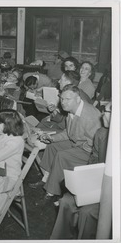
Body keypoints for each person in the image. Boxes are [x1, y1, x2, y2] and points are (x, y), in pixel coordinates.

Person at [50, 102, 111, 239]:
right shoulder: (101, 134)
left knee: (87, 212)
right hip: (98, 181)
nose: (102, 114)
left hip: (113, 191)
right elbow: (93, 160)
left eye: (106, 111)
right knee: (66, 200)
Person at [30, 85, 102, 199]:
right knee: (52, 146)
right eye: (62, 99)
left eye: (68, 99)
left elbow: (96, 145)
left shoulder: (90, 115)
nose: (63, 102)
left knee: (62, 155)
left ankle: (51, 192)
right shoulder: (72, 110)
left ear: (78, 99)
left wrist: (75, 148)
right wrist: (52, 138)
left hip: (90, 151)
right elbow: (68, 133)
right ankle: (46, 179)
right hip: (79, 143)